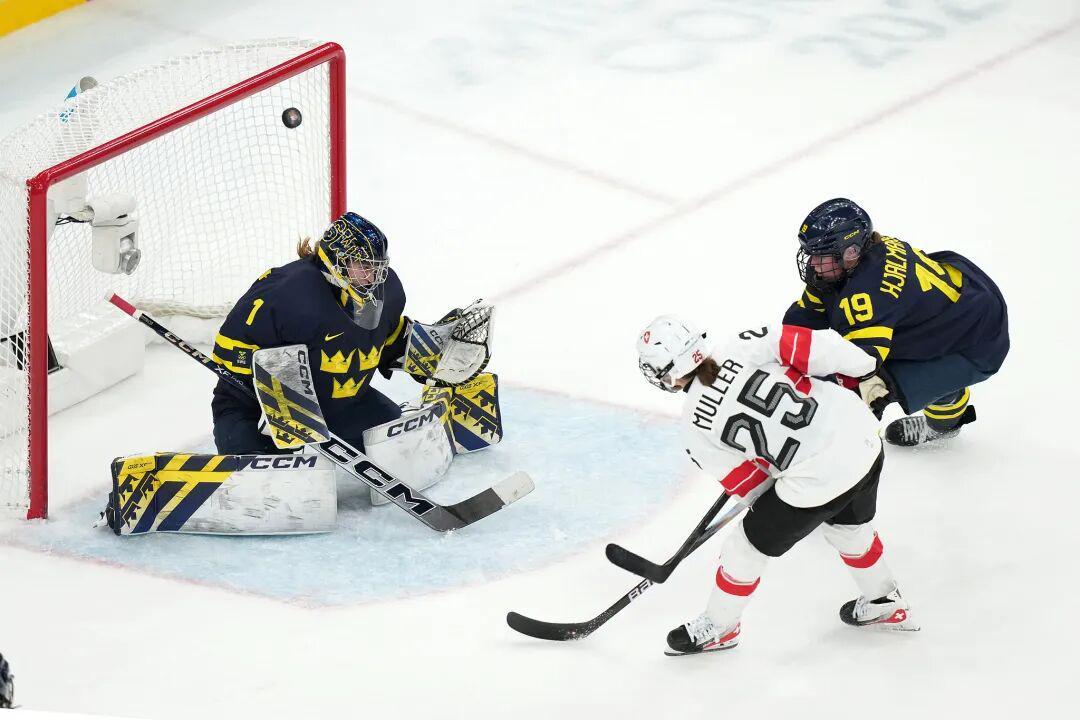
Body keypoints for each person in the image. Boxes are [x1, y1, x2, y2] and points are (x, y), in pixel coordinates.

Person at [636, 316, 919, 656]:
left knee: (743, 549)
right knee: (848, 526)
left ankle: (721, 627)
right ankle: (884, 600)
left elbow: (753, 487)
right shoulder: (744, 342)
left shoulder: (693, 429)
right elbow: (822, 348)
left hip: (818, 479)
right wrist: (865, 368)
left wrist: (783, 494)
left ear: (667, 370)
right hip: (862, 436)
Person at [783, 198, 1009, 446]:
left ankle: (946, 418)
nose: (813, 264)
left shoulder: (868, 295)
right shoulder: (860, 255)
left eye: (821, 256)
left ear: (851, 252)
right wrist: (779, 351)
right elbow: (808, 313)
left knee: (885, 383)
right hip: (960, 296)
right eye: (812, 254)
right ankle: (943, 387)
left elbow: (858, 371)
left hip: (977, 337)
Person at [210, 211, 409, 454]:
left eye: (377, 268)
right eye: (364, 267)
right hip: (256, 405)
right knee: (250, 455)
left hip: (338, 405)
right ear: (337, 259)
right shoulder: (286, 291)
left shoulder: (385, 291)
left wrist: (426, 352)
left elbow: (388, 340)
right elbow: (228, 349)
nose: (372, 278)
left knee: (400, 446)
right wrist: (276, 384)